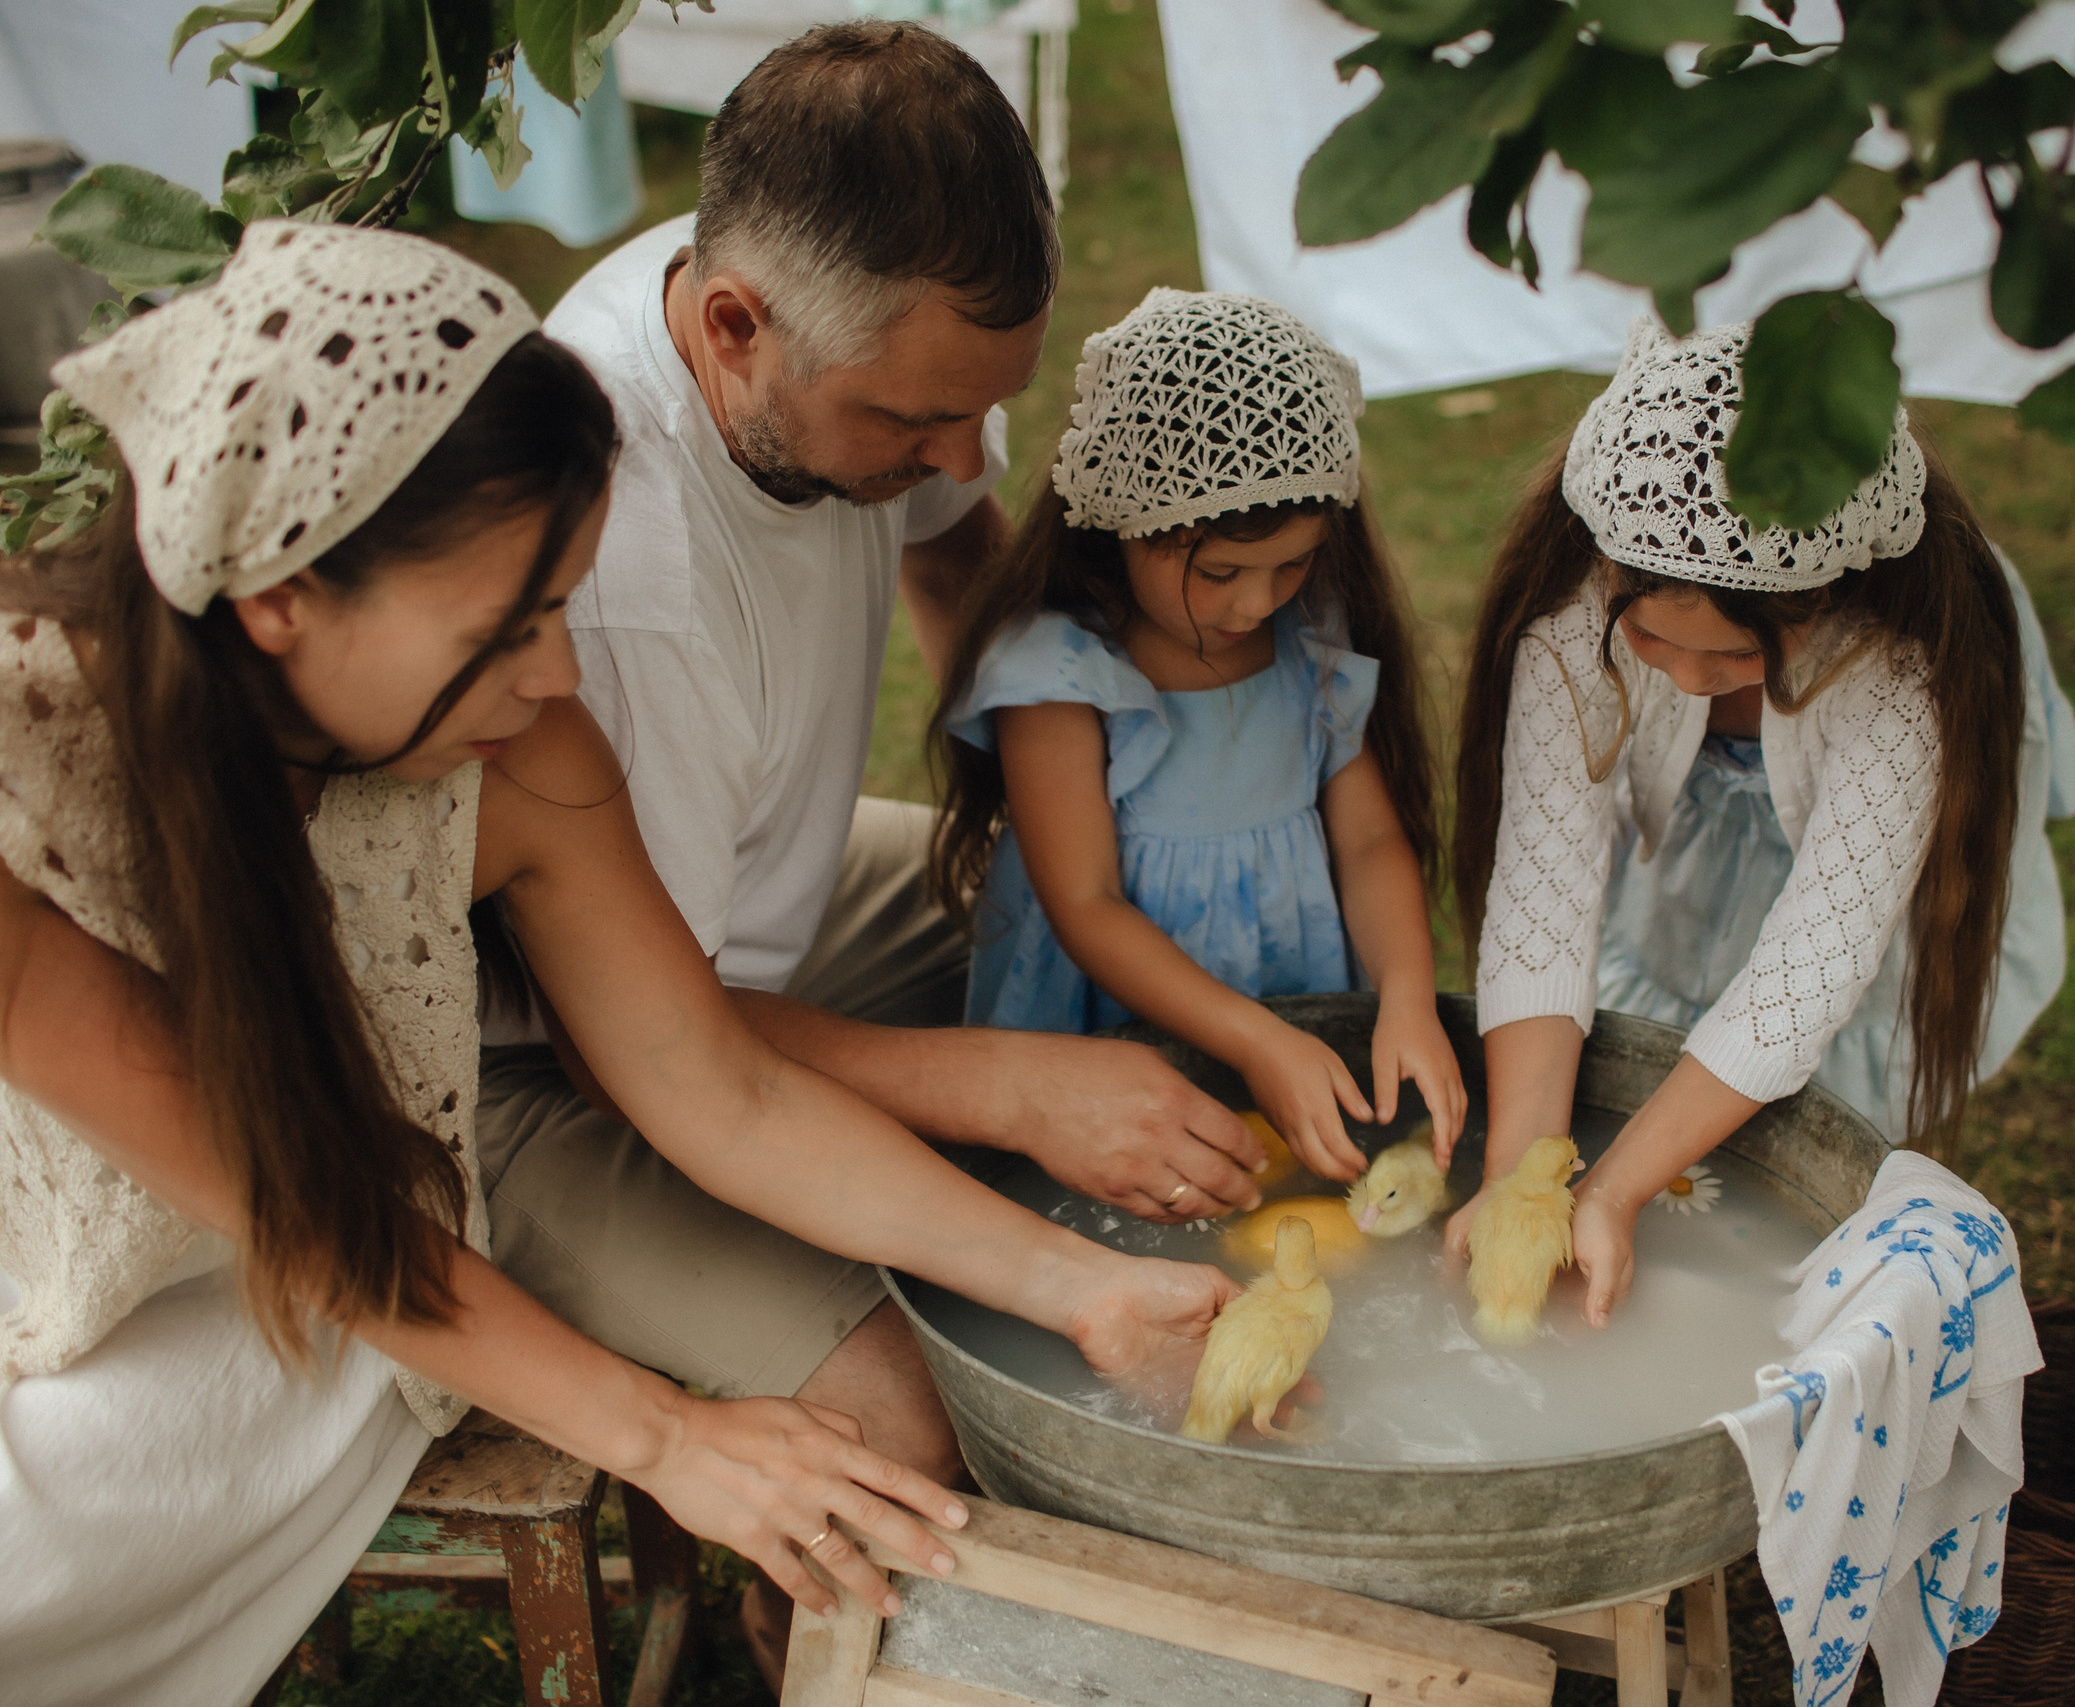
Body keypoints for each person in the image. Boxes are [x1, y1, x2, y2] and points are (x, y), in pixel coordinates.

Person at [0, 222, 1234, 1707]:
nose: (561, 669)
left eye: (565, 604)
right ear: (282, 599)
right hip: (117, 1283)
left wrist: (1084, 1286)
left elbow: (719, 1091)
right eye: (508, 622)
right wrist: (664, 1435)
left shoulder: (524, 751)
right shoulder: (31, 783)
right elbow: (306, 1206)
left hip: (344, 1258)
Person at [480, 20, 1269, 1593]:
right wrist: (1012, 1085)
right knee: (914, 1428)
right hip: (535, 1063)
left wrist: (1074, 845)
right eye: (910, 424)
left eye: (986, 404)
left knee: (1156, 922)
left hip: (763, 898)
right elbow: (654, 1041)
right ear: (731, 328)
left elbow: (951, 550)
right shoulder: (627, 583)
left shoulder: (831, 318)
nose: (962, 453)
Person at [1448, 319, 2075, 1324]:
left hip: (1854, 931)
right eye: (1653, 638)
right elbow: (1542, 904)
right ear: (1607, 573)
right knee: (1666, 1071)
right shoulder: (1575, 621)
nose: (1691, 680)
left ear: (1830, 606)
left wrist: (1610, 1191)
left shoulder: (1897, 670)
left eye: (1736, 663)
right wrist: (1521, 1183)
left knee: (1803, 1145)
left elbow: (1811, 969)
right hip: (1698, 870)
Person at [930, 289, 1465, 1182]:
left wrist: (1407, 998)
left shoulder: (1311, 642)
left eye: (1291, 564)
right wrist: (1254, 1039)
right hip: (1112, 1018)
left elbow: (1370, 840)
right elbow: (1087, 903)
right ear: (1120, 527)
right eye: (1219, 571)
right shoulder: (1060, 674)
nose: (1256, 604)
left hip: (1289, 992)